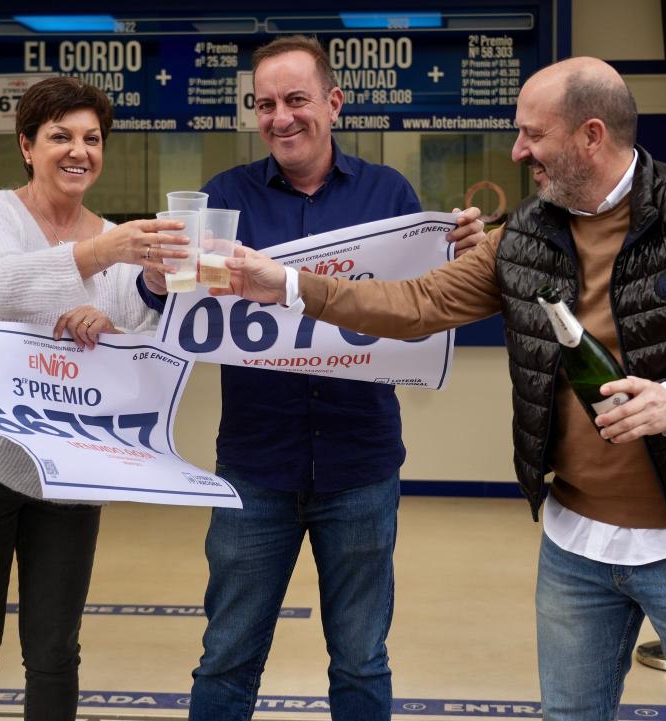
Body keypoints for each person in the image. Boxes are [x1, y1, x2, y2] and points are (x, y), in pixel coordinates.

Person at [216, 56, 666, 721]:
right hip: (574, 545)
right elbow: (415, 303)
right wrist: (290, 286)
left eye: (533, 134)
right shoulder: (523, 236)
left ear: (590, 136)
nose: (519, 150)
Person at [139, 35, 485, 721]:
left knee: (360, 660)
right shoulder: (223, 196)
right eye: (265, 103)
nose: (280, 116)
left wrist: (465, 254)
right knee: (227, 656)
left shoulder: (390, 194)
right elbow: (169, 301)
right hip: (254, 469)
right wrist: (154, 277)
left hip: (360, 466)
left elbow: (427, 299)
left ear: (333, 103)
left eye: (296, 99)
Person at [0, 77, 179, 721]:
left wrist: (139, 296)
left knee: (55, 650)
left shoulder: (113, 242)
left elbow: (131, 336)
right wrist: (100, 253)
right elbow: (2, 287)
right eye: (60, 136)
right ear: (28, 146)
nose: (77, 150)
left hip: (69, 465)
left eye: (91, 139)